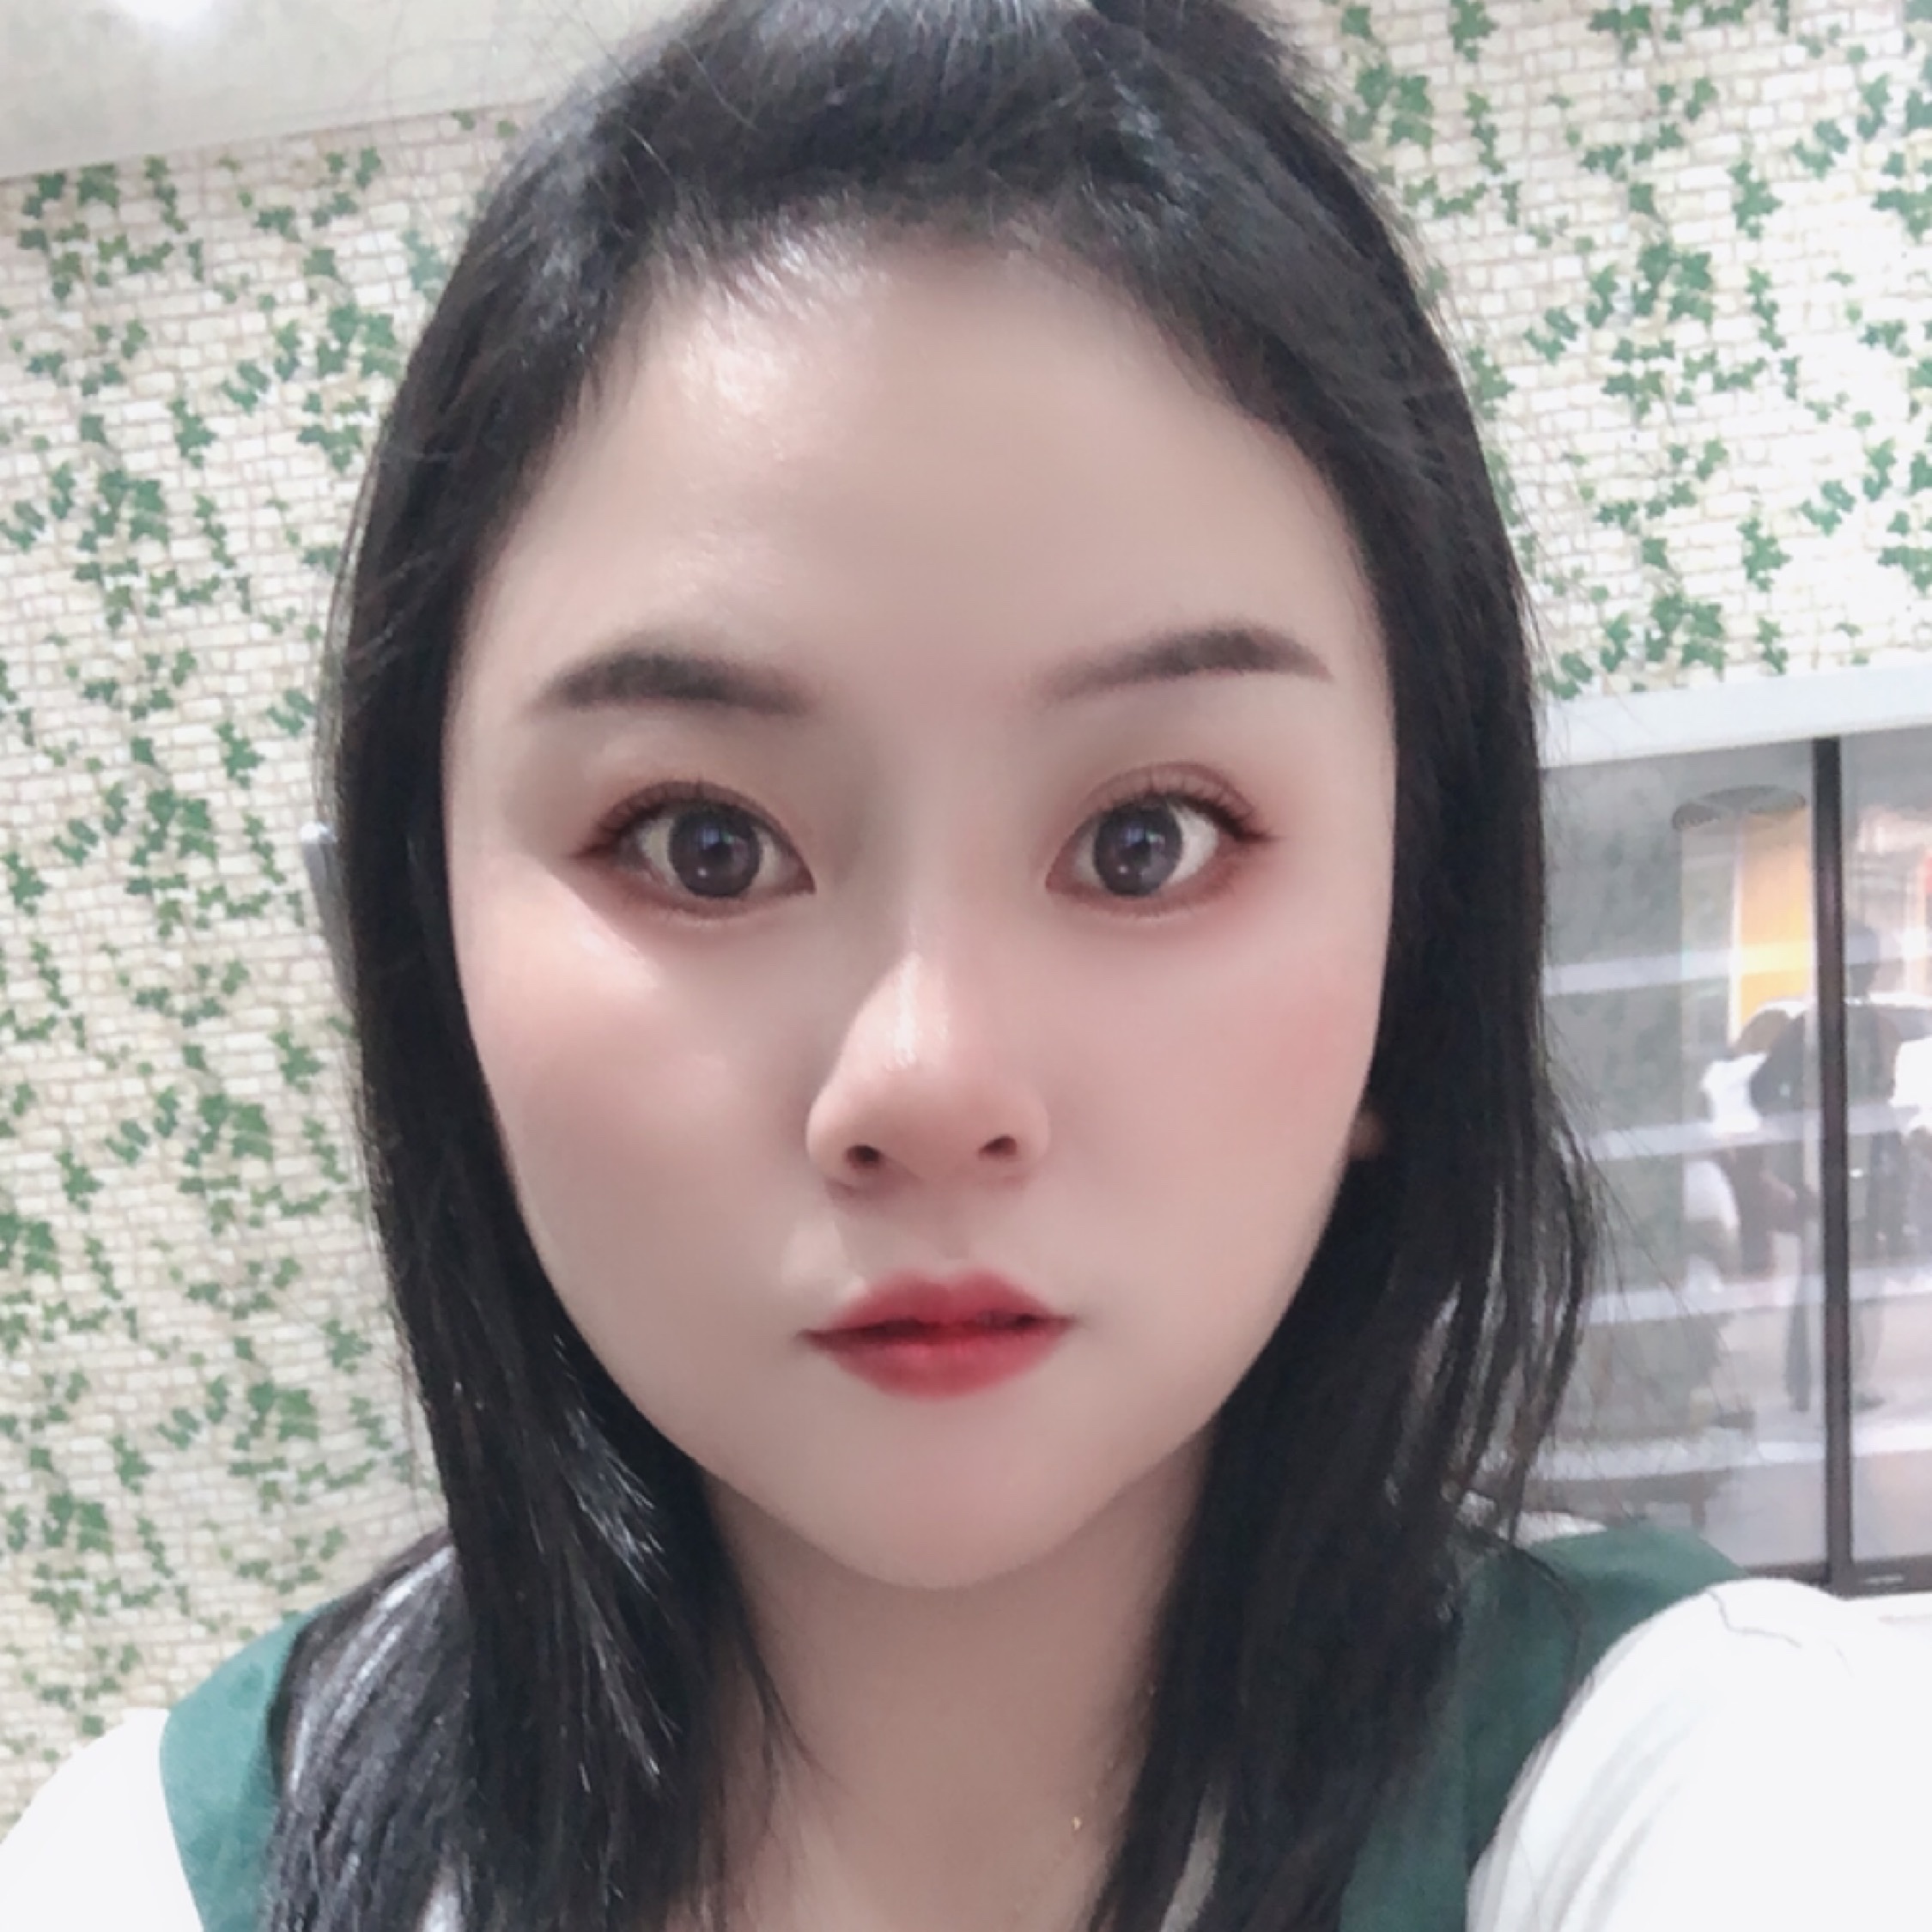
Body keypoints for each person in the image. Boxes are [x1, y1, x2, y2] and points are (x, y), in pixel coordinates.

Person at [3, 3, 1926, 1929]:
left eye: (1147, 838)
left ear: (1413, 946)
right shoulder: (163, 1875)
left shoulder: (1720, 1798)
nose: (926, 1083)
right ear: (437, 960)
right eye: (701, 843)